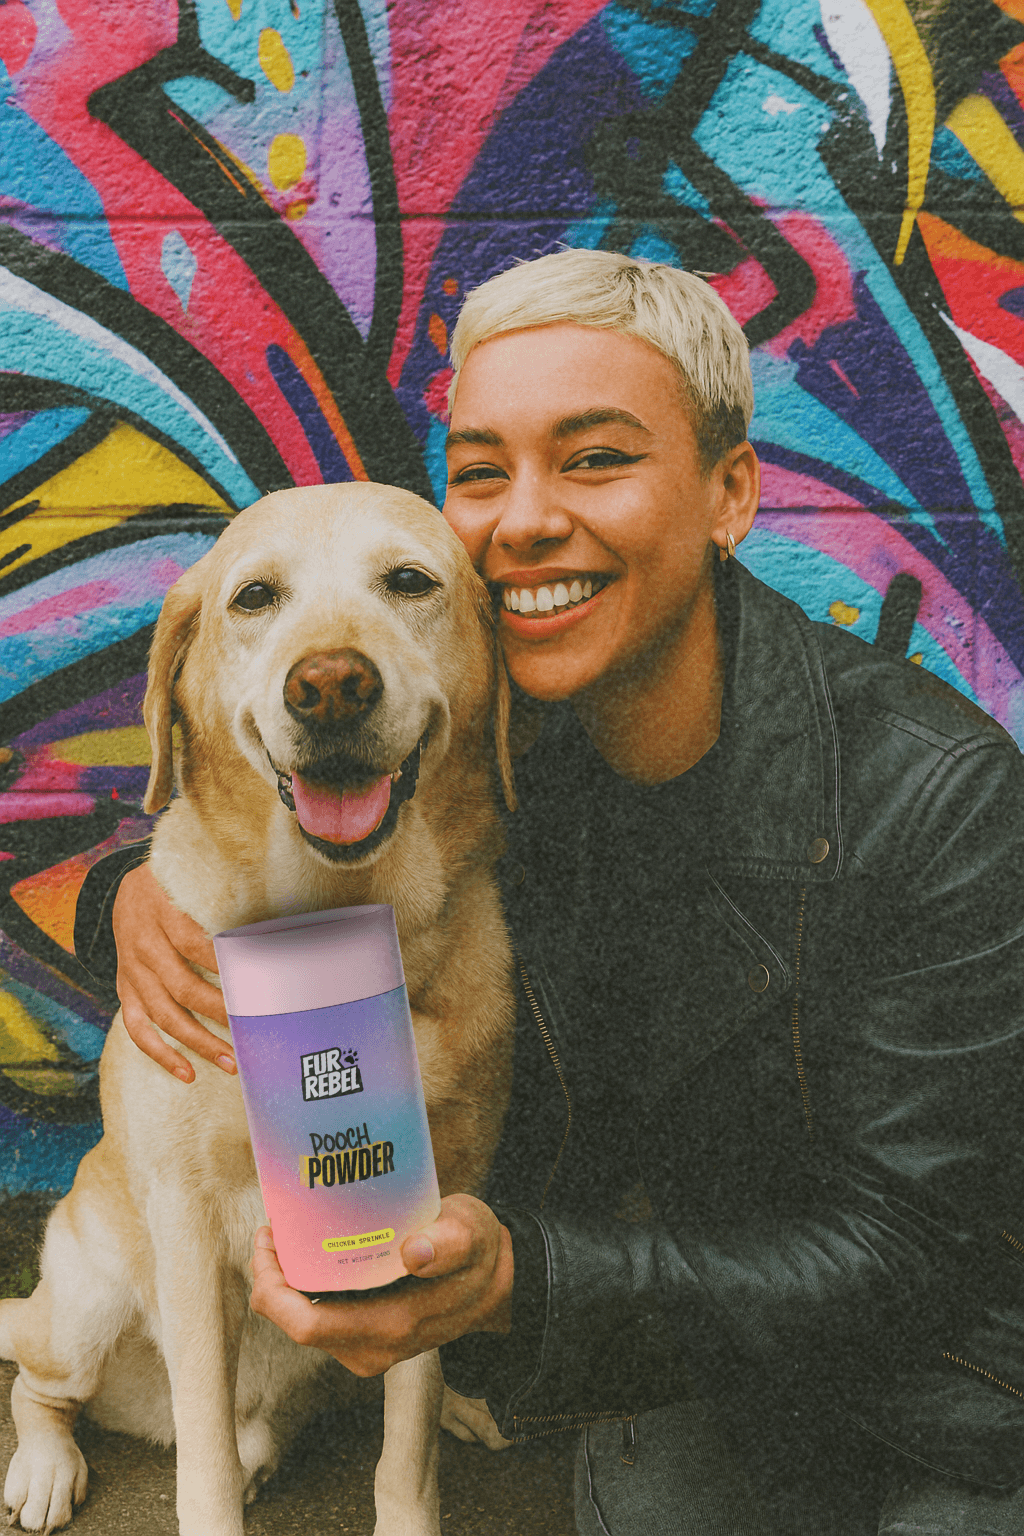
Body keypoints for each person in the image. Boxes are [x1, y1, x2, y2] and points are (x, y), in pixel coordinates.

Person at [75, 251, 1024, 1534]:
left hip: (951, 1391)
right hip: (679, 1353)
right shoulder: (480, 755)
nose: (523, 519)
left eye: (594, 459)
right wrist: (132, 895)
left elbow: (919, 1247)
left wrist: (530, 1282)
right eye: (479, 474)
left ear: (728, 492)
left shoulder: (942, 796)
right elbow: (264, 813)